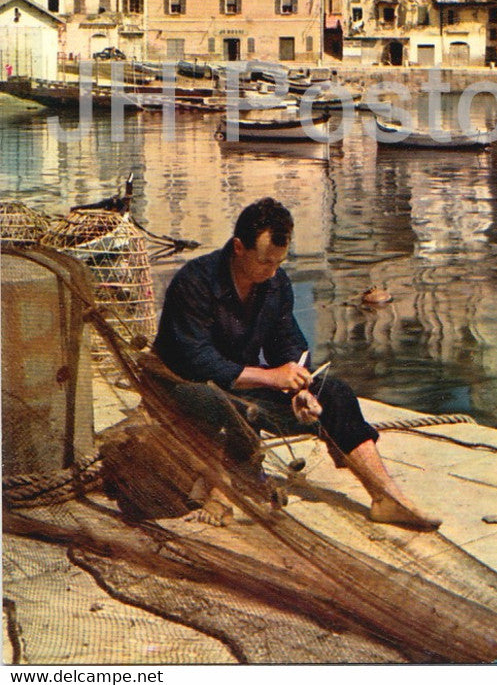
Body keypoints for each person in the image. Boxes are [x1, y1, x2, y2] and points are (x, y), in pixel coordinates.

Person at [154, 197, 440, 530]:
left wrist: (299, 388)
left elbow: (287, 344)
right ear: (238, 247)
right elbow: (195, 360)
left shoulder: (275, 283)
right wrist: (271, 378)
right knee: (224, 404)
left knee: (335, 393)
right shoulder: (195, 281)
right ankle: (221, 487)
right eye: (265, 261)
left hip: (241, 384)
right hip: (184, 386)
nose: (272, 271)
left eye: (279, 261)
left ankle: (385, 497)